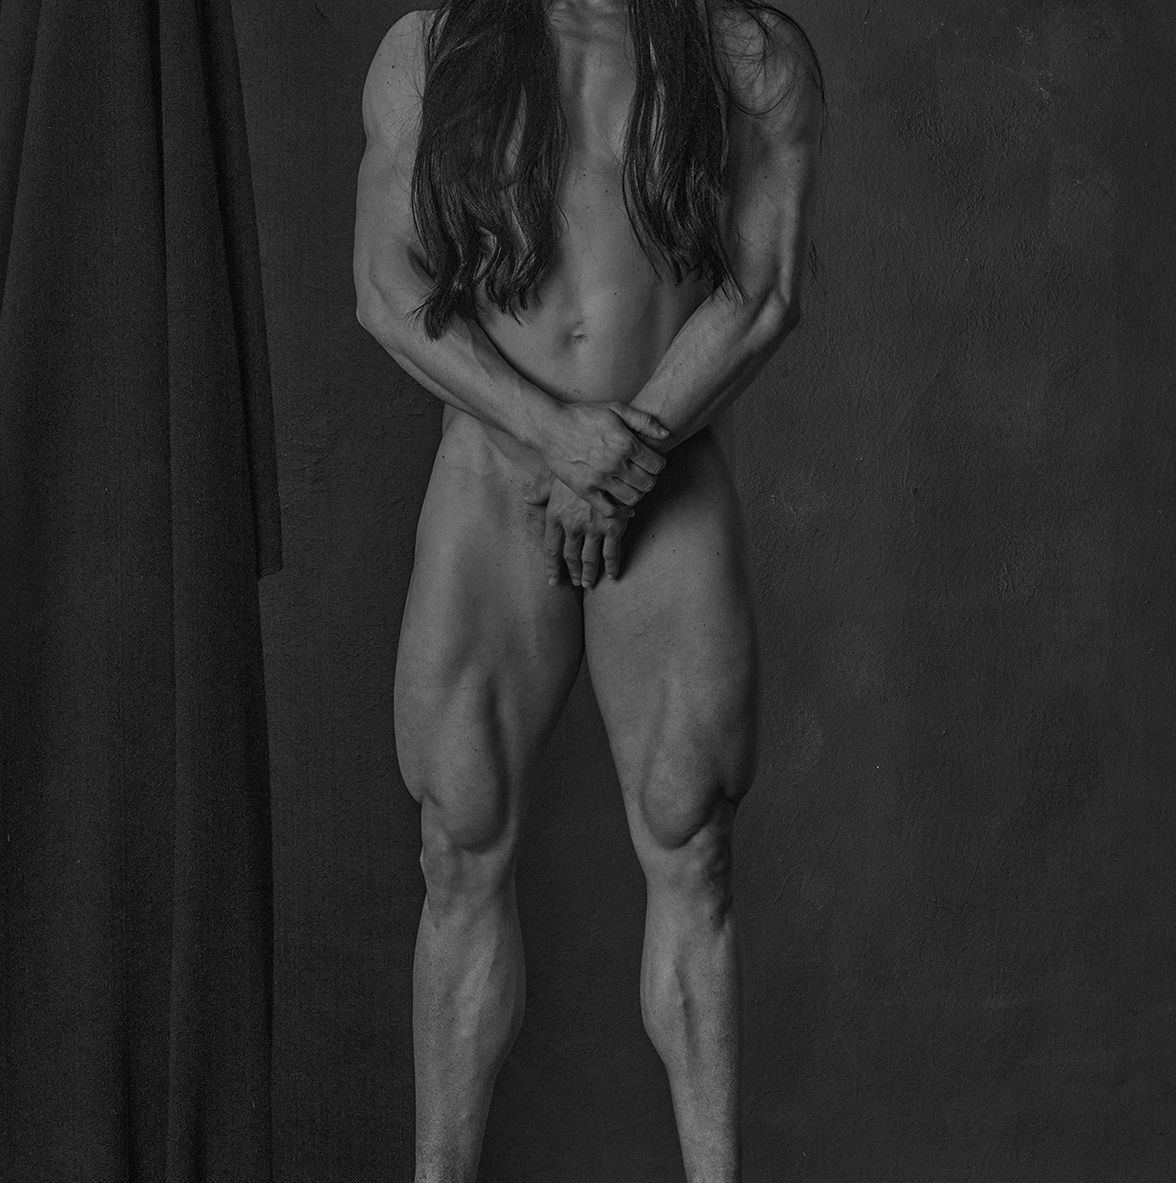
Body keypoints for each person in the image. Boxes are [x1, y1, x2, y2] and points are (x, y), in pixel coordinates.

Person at [353, 1, 822, 1178]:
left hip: (665, 465)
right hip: (491, 466)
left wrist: (628, 447)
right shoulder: (429, 49)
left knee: (692, 840)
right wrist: (551, 436)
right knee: (457, 841)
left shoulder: (745, 55)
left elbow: (762, 290)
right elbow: (383, 282)